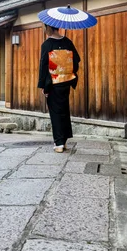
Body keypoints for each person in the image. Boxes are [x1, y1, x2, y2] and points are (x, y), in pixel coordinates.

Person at [37, 23, 81, 153]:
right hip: (66, 81)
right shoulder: (68, 42)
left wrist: (43, 85)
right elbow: (76, 61)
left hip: (53, 83)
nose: (45, 30)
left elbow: (44, 66)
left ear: (49, 28)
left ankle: (59, 143)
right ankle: (65, 140)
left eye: (45, 28)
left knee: (55, 112)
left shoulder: (47, 44)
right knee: (64, 110)